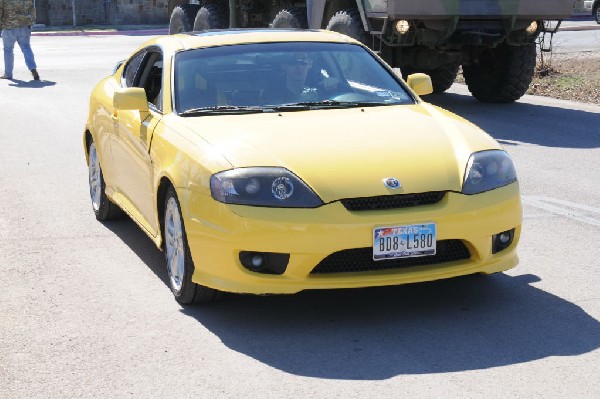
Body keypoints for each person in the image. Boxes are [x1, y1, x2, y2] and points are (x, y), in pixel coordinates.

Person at [262, 52, 339, 104]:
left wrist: (334, 87)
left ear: (310, 65)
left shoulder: (322, 86)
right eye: (293, 63)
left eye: (303, 63)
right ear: (283, 66)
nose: (299, 68)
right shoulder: (272, 92)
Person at [0, 0, 39, 80]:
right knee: (26, 47)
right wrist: (31, 21)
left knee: (8, 50)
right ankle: (33, 69)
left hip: (9, 26)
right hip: (24, 25)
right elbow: (32, 9)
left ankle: (8, 74)